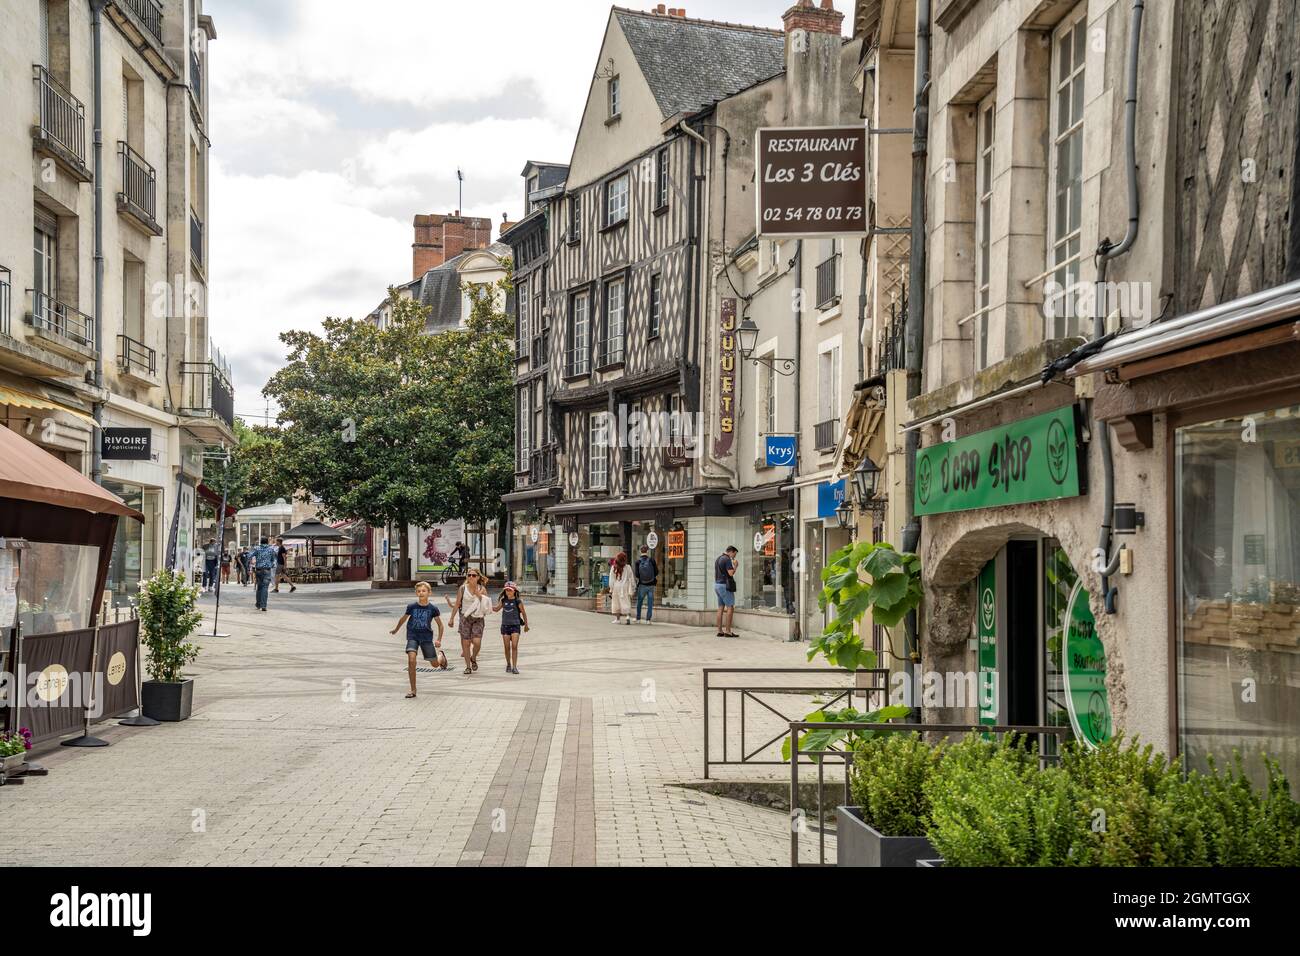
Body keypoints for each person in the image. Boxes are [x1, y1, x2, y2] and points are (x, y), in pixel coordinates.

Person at [390, 581, 446, 698]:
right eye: (419, 591)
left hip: (426, 638)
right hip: (413, 636)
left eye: (424, 591)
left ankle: (441, 657)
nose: (421, 593)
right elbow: (403, 619)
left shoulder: (433, 609)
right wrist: (396, 629)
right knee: (411, 660)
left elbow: (440, 625)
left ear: (429, 593)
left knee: (435, 665)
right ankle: (413, 689)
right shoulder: (411, 607)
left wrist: (439, 639)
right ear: (416, 593)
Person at [448, 567, 490, 675]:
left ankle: (474, 657)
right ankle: (467, 666)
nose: (471, 577)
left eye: (473, 575)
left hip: (478, 618)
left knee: (477, 642)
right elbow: (457, 604)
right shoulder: (462, 588)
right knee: (465, 643)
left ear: (478, 577)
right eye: (469, 575)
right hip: (465, 617)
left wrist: (478, 594)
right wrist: (451, 618)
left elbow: (486, 604)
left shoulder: (482, 589)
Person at [494, 581, 529, 674]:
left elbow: (524, 613)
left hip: (515, 626)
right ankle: (508, 664)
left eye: (510, 590)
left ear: (514, 591)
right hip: (505, 626)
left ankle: (514, 666)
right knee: (506, 647)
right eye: (506, 590)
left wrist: (526, 625)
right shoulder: (503, 601)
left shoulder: (518, 601)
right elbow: (496, 609)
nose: (508, 592)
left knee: (514, 646)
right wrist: (485, 604)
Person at [714, 545, 739, 637]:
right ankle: (728, 631)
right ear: (731, 552)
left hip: (717, 585)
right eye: (734, 554)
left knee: (720, 607)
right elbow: (731, 573)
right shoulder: (727, 559)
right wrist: (735, 566)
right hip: (725, 586)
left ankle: (720, 631)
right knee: (730, 607)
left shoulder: (718, 558)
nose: (734, 557)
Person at [252, 536, 279, 611]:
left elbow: (249, 556)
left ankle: (258, 604)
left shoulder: (256, 549)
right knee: (265, 588)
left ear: (260, 542)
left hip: (258, 570)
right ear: (267, 542)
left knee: (259, 587)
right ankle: (263, 605)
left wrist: (252, 564)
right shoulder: (271, 549)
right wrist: (271, 565)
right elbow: (274, 560)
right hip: (267, 570)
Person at [608, 551, 634, 625]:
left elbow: (611, 579)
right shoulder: (628, 567)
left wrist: (611, 588)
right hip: (625, 586)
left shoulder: (614, 567)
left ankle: (618, 619)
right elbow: (631, 578)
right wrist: (632, 588)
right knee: (626, 601)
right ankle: (627, 616)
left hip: (616, 586)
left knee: (616, 603)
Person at [634, 545, 658, 624]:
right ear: (647, 551)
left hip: (642, 584)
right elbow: (656, 572)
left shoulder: (638, 562)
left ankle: (638, 618)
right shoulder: (651, 560)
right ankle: (648, 620)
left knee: (639, 602)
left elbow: (637, 575)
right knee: (650, 602)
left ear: (640, 551)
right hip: (651, 585)